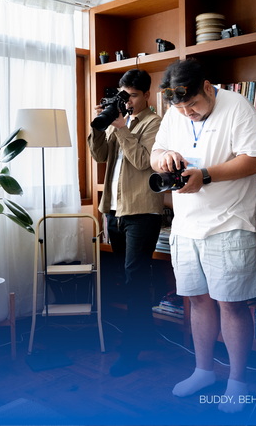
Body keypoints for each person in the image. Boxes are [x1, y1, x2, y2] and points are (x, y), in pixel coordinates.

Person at [150, 58, 256, 414]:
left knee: (232, 304)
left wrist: (206, 175)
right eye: (180, 108)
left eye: (193, 104)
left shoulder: (238, 106)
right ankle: (203, 371)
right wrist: (165, 157)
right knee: (197, 301)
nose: (188, 113)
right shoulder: (174, 114)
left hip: (228, 224)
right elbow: (155, 155)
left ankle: (237, 382)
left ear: (207, 87)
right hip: (185, 226)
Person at [87, 69, 165, 377]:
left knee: (135, 280)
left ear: (147, 95)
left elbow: (144, 161)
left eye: (133, 96)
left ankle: (130, 350)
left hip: (142, 212)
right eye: (124, 95)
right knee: (130, 278)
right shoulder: (120, 120)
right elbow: (99, 156)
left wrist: (121, 128)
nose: (128, 101)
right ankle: (145, 336)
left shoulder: (154, 122)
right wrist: (99, 125)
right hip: (114, 211)